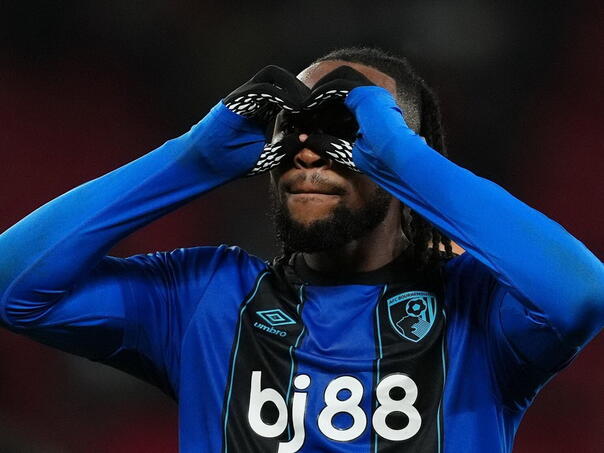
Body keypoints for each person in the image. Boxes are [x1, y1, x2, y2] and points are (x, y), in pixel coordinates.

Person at [0, 46, 602, 453]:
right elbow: (14, 287)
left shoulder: (478, 309)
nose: (309, 150)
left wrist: (401, 157)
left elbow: (581, 294)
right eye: (292, 127)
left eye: (343, 128)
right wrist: (191, 159)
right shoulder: (205, 298)